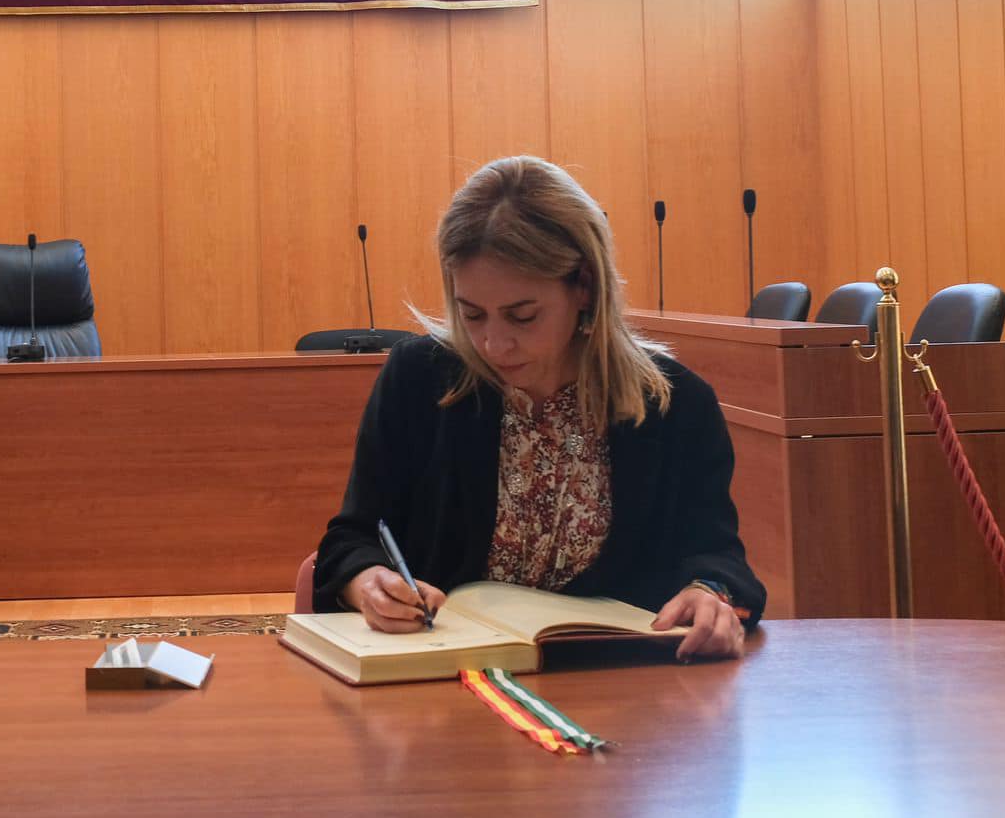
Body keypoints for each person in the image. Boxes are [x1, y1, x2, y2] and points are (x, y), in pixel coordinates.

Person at [314, 156, 764, 661]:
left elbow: (718, 555)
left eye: (522, 316)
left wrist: (709, 593)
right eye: (471, 314)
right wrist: (367, 582)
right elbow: (351, 540)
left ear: (585, 288)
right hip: (442, 681)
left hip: (621, 691)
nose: (493, 344)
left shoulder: (674, 403)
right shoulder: (420, 379)